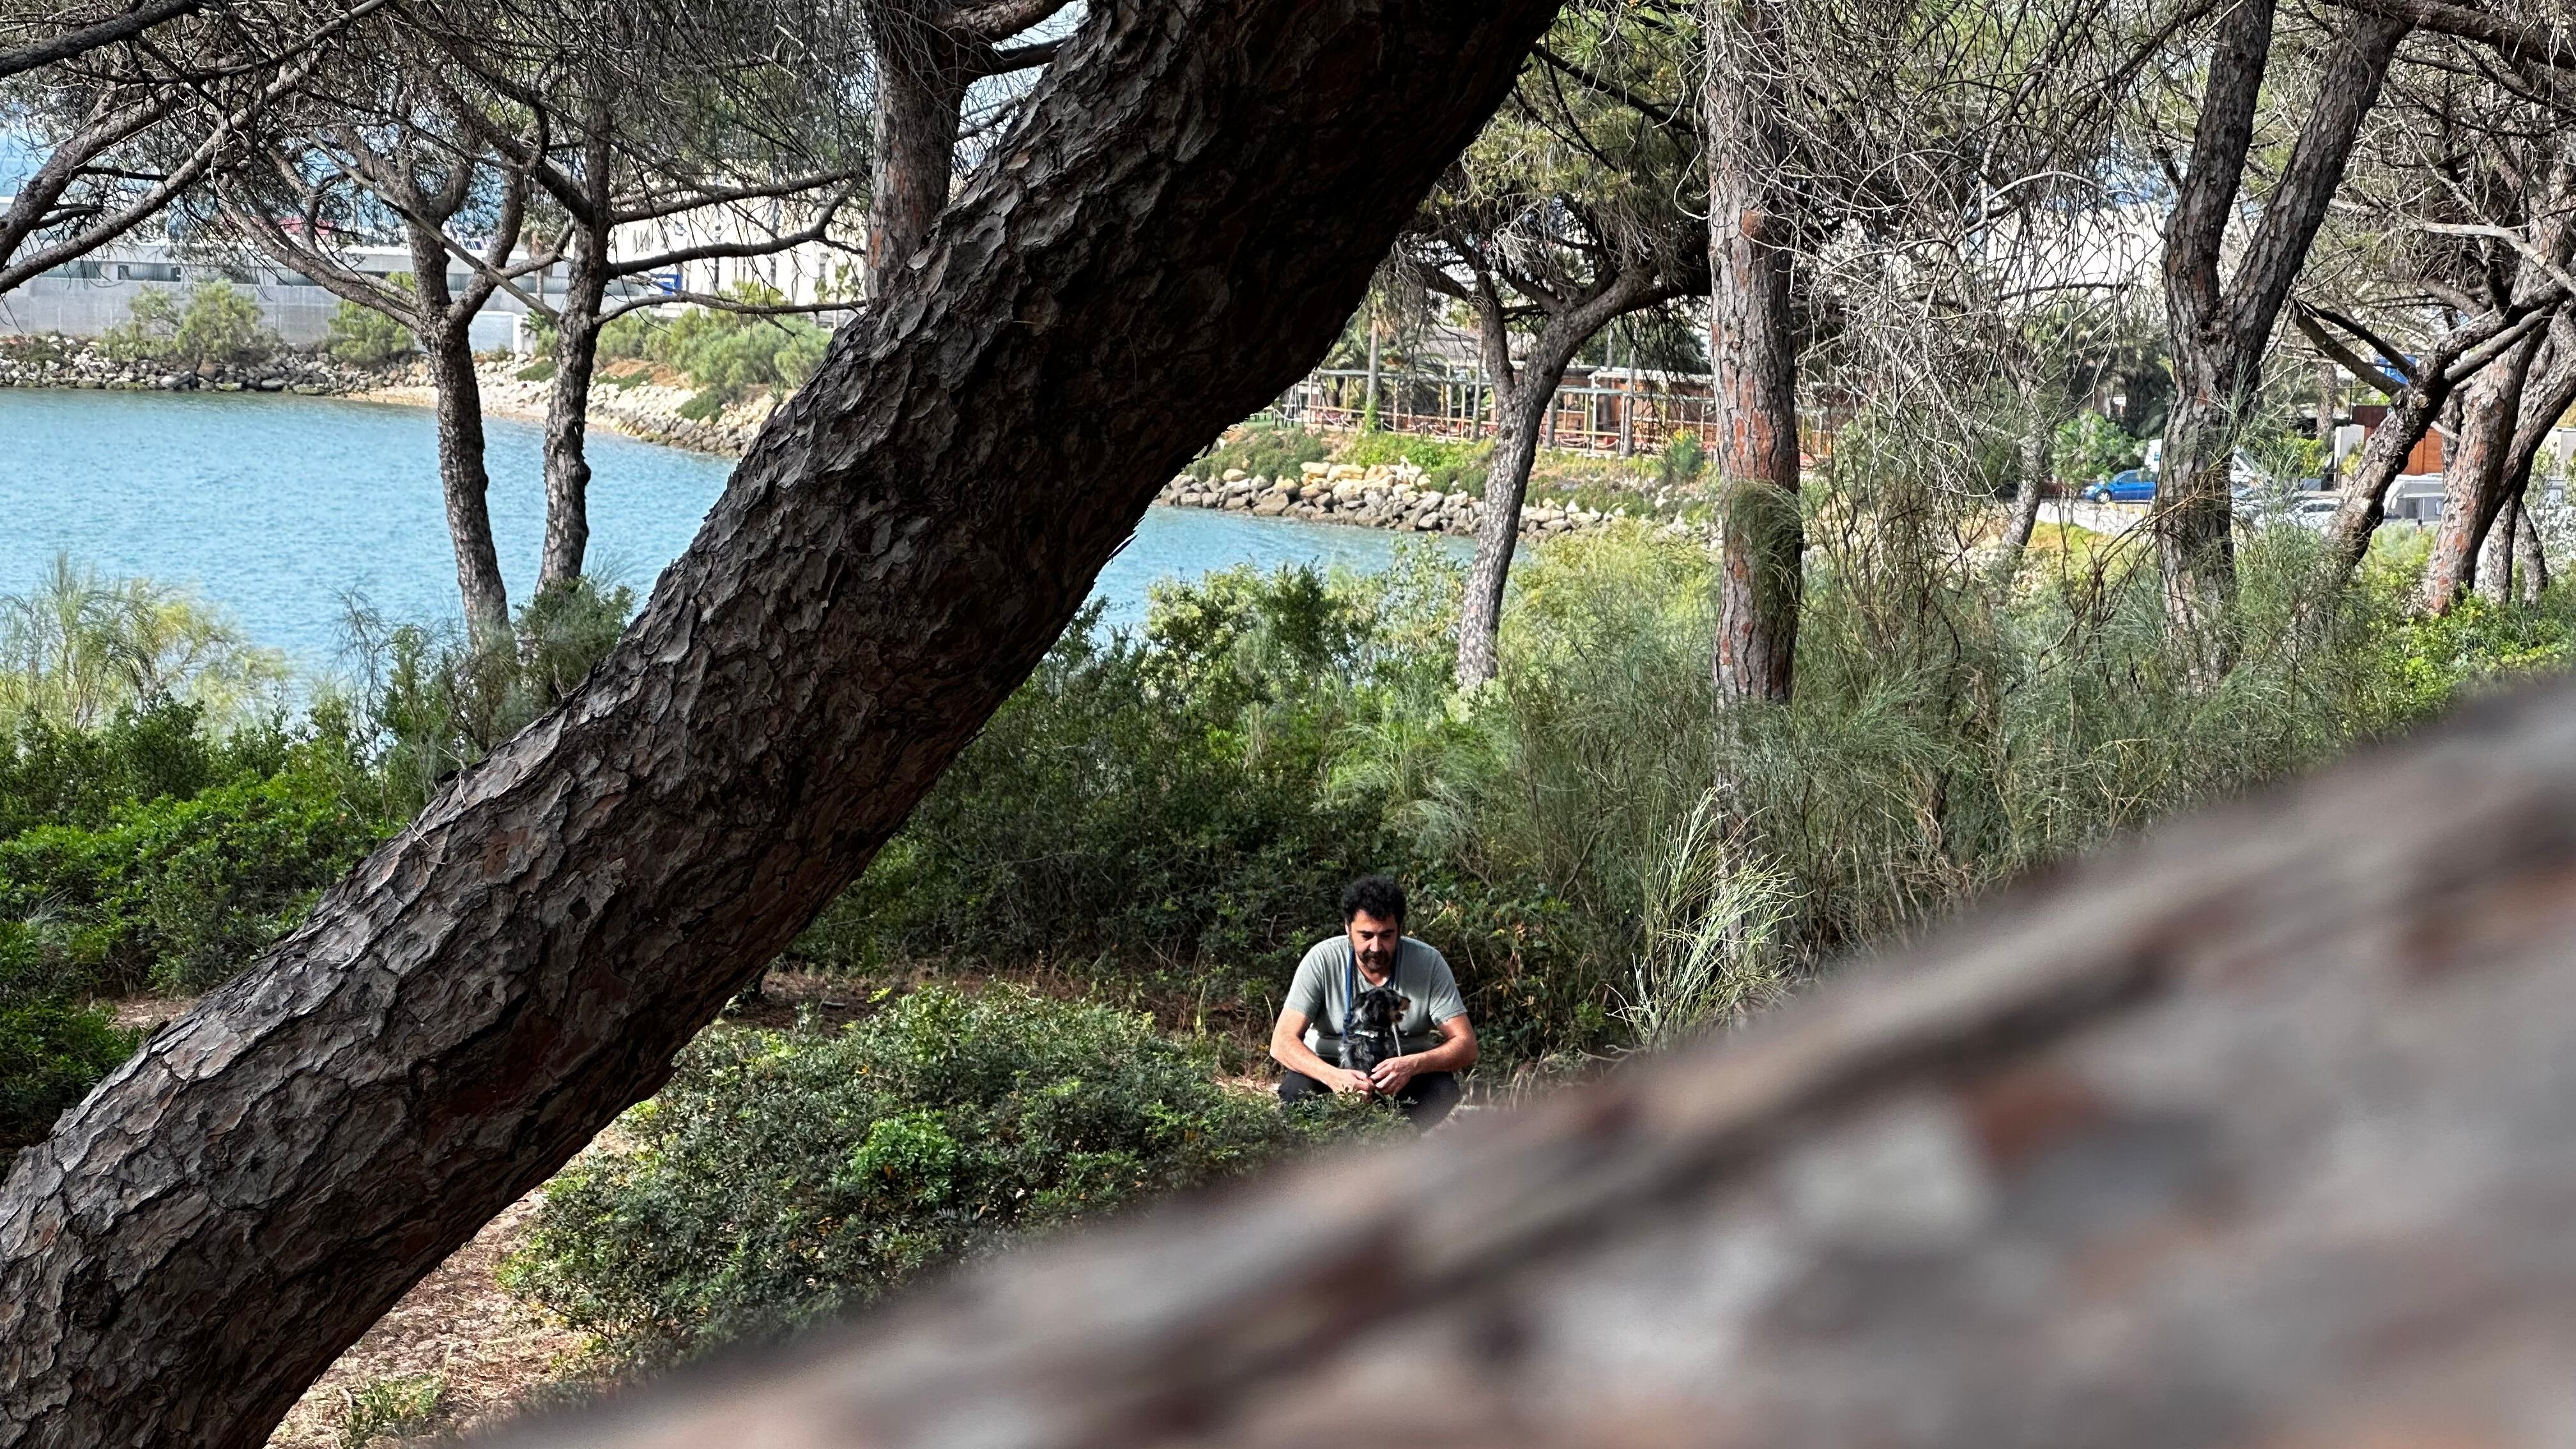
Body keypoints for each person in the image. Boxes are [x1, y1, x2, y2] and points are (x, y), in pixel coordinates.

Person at [1271, 874, 1477, 1127]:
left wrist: (1413, 1064)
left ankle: (1400, 1150)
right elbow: (1281, 1042)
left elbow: (1466, 1045)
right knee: (1296, 1090)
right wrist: (1333, 1077)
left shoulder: (1429, 963)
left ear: (1400, 929)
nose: (1376, 947)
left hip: (1401, 1070)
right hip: (1335, 1066)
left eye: (1387, 935)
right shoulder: (1322, 959)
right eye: (1366, 935)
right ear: (1348, 928)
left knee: (1442, 1089)